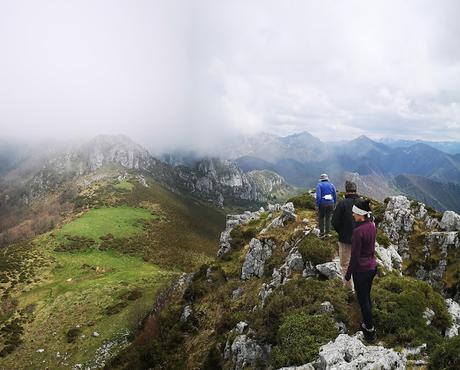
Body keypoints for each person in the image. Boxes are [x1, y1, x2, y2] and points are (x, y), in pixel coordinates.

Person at [345, 198, 377, 342]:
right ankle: (369, 321)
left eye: (354, 213)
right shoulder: (372, 225)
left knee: (363, 300)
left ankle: (369, 330)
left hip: (361, 271)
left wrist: (348, 274)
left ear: (360, 214)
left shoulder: (358, 231)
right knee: (367, 296)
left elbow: (355, 256)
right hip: (372, 267)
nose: (352, 215)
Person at [331, 181, 360, 290]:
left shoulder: (342, 204)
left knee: (345, 265)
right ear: (356, 190)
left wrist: (342, 232)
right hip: (360, 241)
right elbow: (370, 222)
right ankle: (360, 288)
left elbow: (334, 222)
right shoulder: (362, 203)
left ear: (346, 190)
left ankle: (348, 290)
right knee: (359, 264)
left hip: (345, 240)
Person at [315, 173, 336, 238]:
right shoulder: (332, 185)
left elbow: (318, 196)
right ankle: (327, 233)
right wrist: (334, 203)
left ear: (321, 179)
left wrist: (317, 205)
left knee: (321, 218)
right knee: (328, 218)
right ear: (327, 179)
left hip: (322, 203)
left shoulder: (319, 185)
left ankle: (321, 233)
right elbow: (335, 195)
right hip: (331, 203)